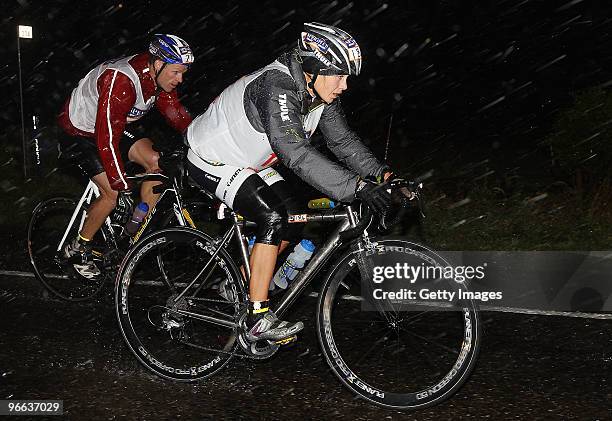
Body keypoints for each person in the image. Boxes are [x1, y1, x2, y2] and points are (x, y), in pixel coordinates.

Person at [186, 22, 393, 343]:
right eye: (339, 75)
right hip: (212, 156)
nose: (345, 85)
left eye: (347, 77)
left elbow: (343, 142)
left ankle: (237, 284)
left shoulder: (318, 90)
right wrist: (357, 188)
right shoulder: (277, 85)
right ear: (313, 68)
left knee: (293, 220)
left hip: (252, 161)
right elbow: (294, 151)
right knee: (272, 217)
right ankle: (257, 317)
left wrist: (384, 177)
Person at [57, 34, 194, 277]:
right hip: (79, 130)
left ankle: (133, 233)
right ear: (158, 64)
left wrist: (199, 138)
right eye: (175, 72)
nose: (179, 79)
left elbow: (175, 114)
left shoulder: (158, 77)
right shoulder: (121, 80)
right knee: (111, 193)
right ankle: (78, 247)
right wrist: (121, 182)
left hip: (115, 123)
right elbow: (106, 138)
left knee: (157, 164)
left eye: (183, 72)